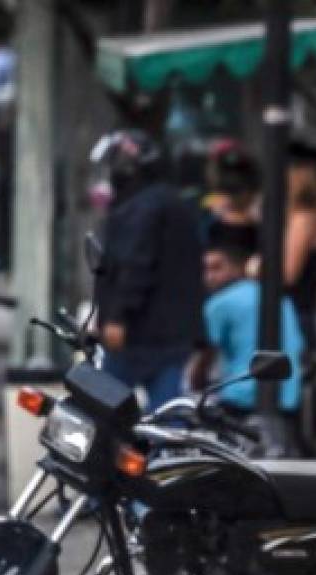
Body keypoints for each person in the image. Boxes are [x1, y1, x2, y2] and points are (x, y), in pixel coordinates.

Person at [91, 129, 205, 411]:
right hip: (172, 334)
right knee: (166, 415)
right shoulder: (171, 203)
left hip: (139, 334)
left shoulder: (142, 209)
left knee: (103, 412)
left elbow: (135, 265)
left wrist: (117, 316)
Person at [201, 225, 304, 448]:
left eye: (217, 268)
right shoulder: (279, 298)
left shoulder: (219, 303)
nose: (210, 276)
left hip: (240, 400)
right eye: (206, 269)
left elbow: (205, 355)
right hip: (287, 398)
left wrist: (195, 382)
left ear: (239, 267)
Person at [283, 143, 316, 350]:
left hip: (296, 313)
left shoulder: (304, 219)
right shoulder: (314, 215)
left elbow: (288, 273)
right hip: (302, 311)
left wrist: (253, 267)